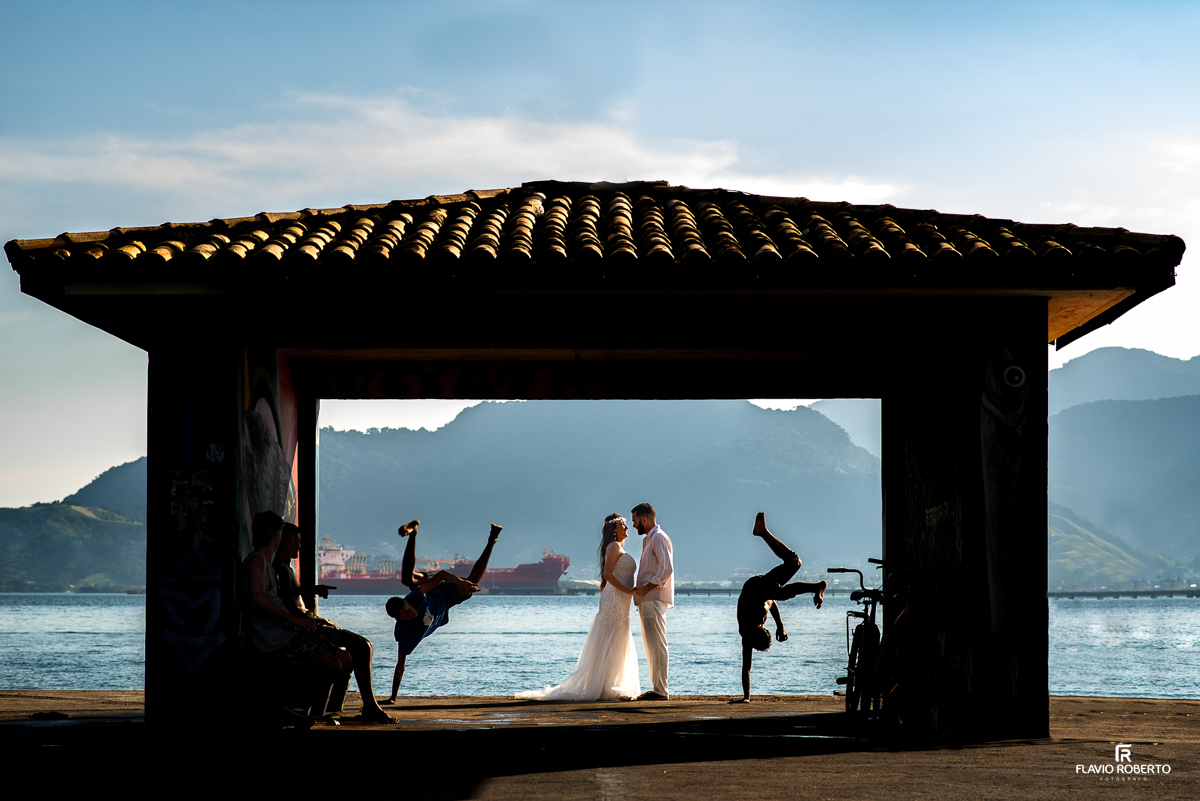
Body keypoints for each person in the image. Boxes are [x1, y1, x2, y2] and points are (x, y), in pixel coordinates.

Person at [272, 522, 393, 723]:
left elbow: (291, 601)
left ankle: (334, 707)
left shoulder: (286, 568)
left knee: (355, 651)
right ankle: (367, 706)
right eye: (299, 542)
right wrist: (313, 609)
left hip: (310, 624)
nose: (300, 547)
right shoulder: (280, 570)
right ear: (291, 541)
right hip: (305, 629)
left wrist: (312, 603)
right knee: (362, 647)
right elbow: (289, 605)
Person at [516, 513, 640, 701]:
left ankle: (611, 684)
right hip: (615, 599)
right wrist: (629, 591)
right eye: (623, 524)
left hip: (622, 601)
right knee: (611, 639)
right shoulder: (614, 546)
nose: (627, 527)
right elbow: (608, 575)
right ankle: (606, 686)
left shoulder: (618, 547)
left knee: (616, 639)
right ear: (614, 529)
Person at [242, 510, 352, 718]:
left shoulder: (266, 564)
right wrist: (294, 619)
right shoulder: (256, 563)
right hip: (275, 639)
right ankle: (297, 705)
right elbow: (258, 597)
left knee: (344, 657)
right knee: (334, 665)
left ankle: (307, 707)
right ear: (276, 536)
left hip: (289, 632)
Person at [383, 520, 500, 702]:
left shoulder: (412, 599)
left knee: (408, 579)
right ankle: (492, 539)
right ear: (399, 619)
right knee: (470, 587)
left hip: (435, 585)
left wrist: (460, 581)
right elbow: (400, 666)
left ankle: (413, 532)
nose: (412, 611)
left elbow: (442, 574)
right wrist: (392, 697)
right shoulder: (403, 635)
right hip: (448, 598)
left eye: (409, 608)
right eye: (407, 613)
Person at [732, 512, 827, 703]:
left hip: (755, 588)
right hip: (757, 588)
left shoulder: (753, 621)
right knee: (794, 563)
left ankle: (816, 586)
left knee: (788, 579)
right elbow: (746, 667)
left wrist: (780, 625)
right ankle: (763, 532)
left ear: (761, 628)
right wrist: (780, 625)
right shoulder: (749, 630)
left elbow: (746, 667)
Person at [630, 502, 673, 701]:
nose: (633, 525)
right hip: (648, 599)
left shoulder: (658, 538)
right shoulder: (649, 539)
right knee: (651, 644)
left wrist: (646, 587)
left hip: (653, 598)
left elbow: (666, 569)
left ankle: (660, 690)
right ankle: (658, 688)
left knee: (656, 644)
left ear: (644, 519)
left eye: (635, 521)